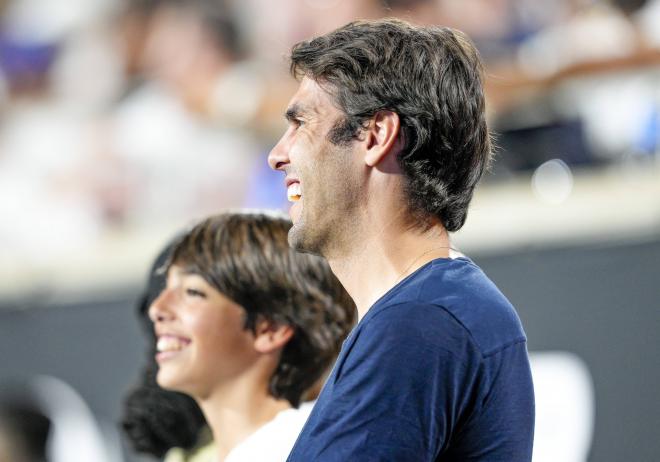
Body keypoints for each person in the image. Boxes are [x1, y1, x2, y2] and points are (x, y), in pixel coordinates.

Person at [267, 19, 535, 461]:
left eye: (301, 124)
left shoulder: (418, 322)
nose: (278, 155)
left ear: (376, 136)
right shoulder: (434, 310)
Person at [145, 211, 355, 462]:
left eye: (192, 292)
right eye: (167, 288)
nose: (157, 309)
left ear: (271, 328)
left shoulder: (308, 448)